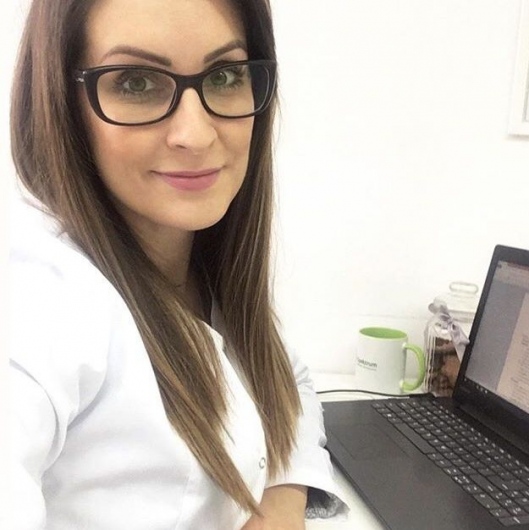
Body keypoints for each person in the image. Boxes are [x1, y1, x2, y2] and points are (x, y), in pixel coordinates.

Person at [8, 0, 346, 528]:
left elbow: (285, 378)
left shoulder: (201, 268)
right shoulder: (39, 298)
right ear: (61, 105)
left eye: (226, 76)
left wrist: (282, 498)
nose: (196, 134)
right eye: (136, 82)